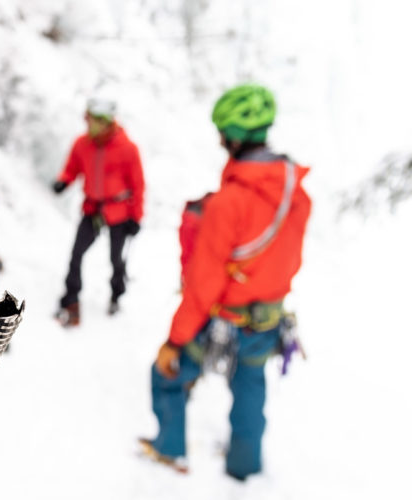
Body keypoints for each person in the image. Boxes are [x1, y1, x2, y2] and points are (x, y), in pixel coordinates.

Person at [142, 84, 311, 480]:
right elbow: (290, 259)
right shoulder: (297, 195)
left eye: (221, 132)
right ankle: (243, 465)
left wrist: (175, 340)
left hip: (226, 318)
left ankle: (169, 449)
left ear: (232, 137)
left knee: (166, 372)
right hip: (268, 320)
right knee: (250, 389)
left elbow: (204, 284)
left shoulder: (227, 203)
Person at [52, 97, 145, 326]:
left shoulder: (127, 148)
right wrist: (64, 181)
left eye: (92, 120)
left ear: (105, 122)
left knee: (116, 257)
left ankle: (116, 293)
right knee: (76, 254)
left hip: (119, 211)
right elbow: (72, 168)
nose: (88, 124)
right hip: (93, 208)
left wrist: (136, 216)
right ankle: (70, 298)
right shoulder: (82, 144)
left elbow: (138, 185)